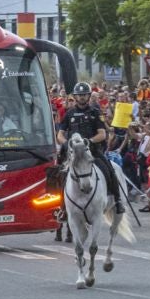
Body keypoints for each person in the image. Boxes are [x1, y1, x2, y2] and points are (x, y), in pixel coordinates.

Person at [56, 83, 122, 214]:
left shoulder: (95, 112)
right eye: (79, 95)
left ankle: (117, 200)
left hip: (92, 151)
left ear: (89, 96)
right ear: (75, 97)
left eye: (84, 95)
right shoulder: (69, 113)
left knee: (109, 169)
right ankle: (62, 207)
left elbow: (102, 134)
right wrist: (66, 143)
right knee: (58, 174)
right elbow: (60, 134)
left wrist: (89, 141)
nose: (81, 97)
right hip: (73, 153)